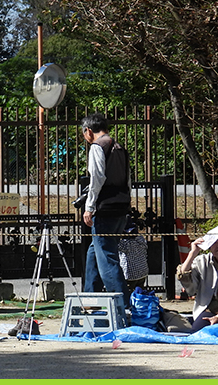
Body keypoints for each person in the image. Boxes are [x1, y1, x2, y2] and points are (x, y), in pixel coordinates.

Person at [80, 113, 131, 303]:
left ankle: (123, 305)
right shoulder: (119, 147)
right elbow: (128, 180)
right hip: (120, 207)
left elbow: (97, 178)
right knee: (96, 251)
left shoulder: (97, 147)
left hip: (104, 208)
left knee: (107, 258)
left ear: (88, 131)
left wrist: (89, 206)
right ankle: (89, 299)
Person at [177, 232, 218, 332]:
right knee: (197, 331)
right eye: (215, 242)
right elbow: (188, 284)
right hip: (208, 309)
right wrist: (192, 253)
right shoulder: (201, 261)